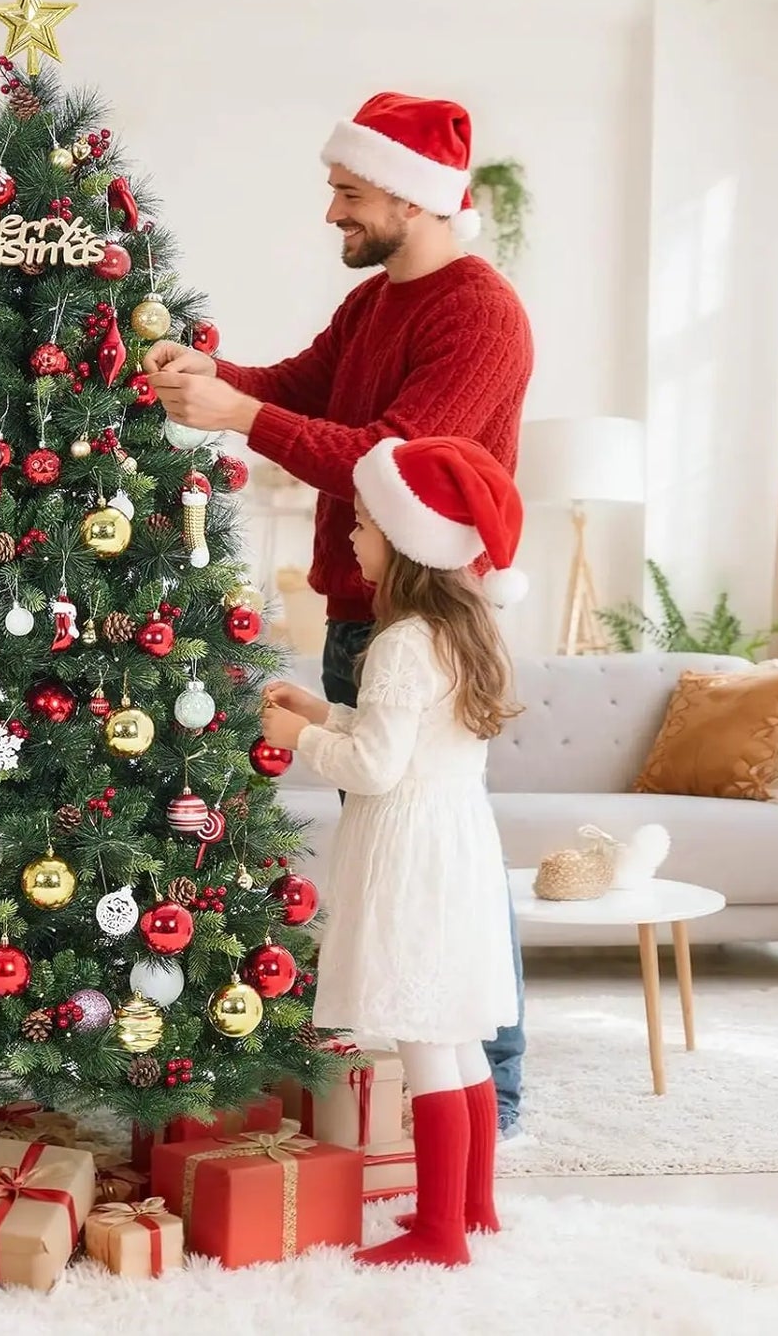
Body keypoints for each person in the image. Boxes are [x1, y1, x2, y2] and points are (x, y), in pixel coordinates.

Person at [144, 91, 531, 1133]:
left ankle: (489, 1096)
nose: (331, 215)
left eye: (348, 193)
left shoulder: (479, 314)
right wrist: (210, 378)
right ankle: (439, 1079)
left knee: (434, 847)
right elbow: (302, 388)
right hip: (363, 609)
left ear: (411, 198)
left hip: (424, 619)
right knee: (393, 839)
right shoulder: (372, 305)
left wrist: (244, 417)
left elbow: (391, 461)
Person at [260, 434, 524, 1268]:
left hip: (409, 852)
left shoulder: (401, 641)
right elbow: (401, 740)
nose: (350, 536)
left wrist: (301, 734)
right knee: (457, 1035)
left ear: (409, 541)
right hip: (454, 839)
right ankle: (473, 1206)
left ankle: (439, 1233)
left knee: (421, 1039)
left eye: (365, 524)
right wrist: (324, 707)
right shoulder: (460, 627)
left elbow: (374, 767)